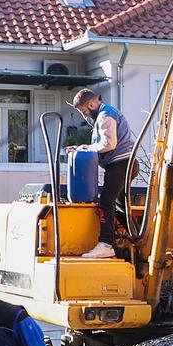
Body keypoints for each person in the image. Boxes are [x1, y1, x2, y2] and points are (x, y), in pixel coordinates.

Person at [67, 88, 137, 259]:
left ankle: (106, 243)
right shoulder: (105, 114)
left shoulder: (106, 115)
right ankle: (139, 237)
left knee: (106, 203)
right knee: (118, 206)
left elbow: (109, 143)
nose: (84, 116)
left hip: (120, 164)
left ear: (91, 104)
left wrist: (86, 148)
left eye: (83, 111)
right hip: (124, 164)